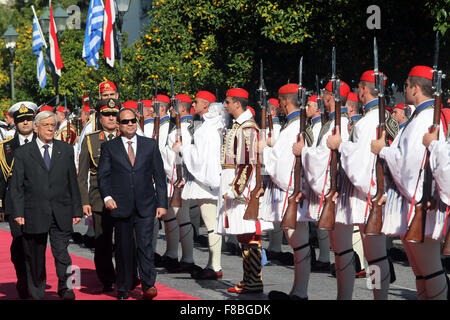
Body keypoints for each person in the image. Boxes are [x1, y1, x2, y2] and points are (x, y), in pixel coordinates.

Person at [371, 65, 448, 300]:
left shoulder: (424, 118)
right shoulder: (420, 117)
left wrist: (383, 151)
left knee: (429, 269)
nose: (404, 89)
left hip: (420, 202)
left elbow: (409, 163)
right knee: (421, 272)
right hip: (410, 201)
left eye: (406, 85)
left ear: (415, 89)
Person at [326, 70, 398, 300]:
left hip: (364, 194)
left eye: (360, 87)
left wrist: (340, 146)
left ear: (365, 90)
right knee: (373, 256)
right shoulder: (385, 118)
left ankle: (375, 297)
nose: (358, 91)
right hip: (372, 192)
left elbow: (361, 162)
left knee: (373, 256)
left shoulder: (369, 122)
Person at [9, 110, 83, 300]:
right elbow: (16, 187)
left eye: (53, 125)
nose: (51, 128)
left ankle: (67, 288)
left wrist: (77, 209)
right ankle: (37, 293)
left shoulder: (65, 149)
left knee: (62, 254)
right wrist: (18, 212)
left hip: (61, 210)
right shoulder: (23, 153)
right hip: (33, 212)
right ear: (36, 127)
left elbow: (72, 182)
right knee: (35, 257)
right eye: (46, 125)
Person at [98, 108, 168, 300]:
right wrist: (107, 197)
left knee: (145, 245)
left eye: (132, 121)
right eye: (125, 121)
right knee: (123, 248)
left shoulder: (149, 145)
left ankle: (148, 284)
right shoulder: (109, 147)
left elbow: (159, 177)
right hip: (120, 205)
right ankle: (123, 286)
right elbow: (103, 177)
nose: (129, 124)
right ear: (118, 125)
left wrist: (162, 203)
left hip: (146, 204)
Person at [293, 79, 351, 299]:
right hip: (337, 191)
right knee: (342, 250)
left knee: (348, 251)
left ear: (330, 97)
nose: (324, 98)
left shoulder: (339, 123)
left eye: (326, 94)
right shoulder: (337, 122)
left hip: (338, 192)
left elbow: (322, 157)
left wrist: (303, 151)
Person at [216, 88, 273, 294]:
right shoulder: (240, 126)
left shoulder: (247, 128)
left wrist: (235, 189)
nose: (225, 105)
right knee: (243, 235)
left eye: (228, 101)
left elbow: (248, 164)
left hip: (242, 186)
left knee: (250, 233)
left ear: (237, 104)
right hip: (235, 182)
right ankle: (248, 279)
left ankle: (254, 280)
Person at [261, 83, 314, 300]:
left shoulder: (293, 127)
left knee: (298, 243)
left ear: (284, 101)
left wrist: (263, 149)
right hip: (293, 191)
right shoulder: (293, 125)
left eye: (280, 100)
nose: (280, 104)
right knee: (298, 243)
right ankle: (297, 291)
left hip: (290, 192)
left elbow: (282, 167)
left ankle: (300, 292)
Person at [172, 91, 224, 280]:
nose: (193, 104)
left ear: (206, 105)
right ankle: (212, 264)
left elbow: (201, 158)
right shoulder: (210, 125)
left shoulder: (207, 129)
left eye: (197, 102)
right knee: (212, 224)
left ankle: (215, 265)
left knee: (211, 225)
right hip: (209, 180)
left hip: (206, 182)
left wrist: (182, 149)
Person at [77, 99, 121, 292]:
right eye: (107, 114)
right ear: (99, 117)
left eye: (114, 114)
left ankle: (126, 274)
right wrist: (84, 201)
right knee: (102, 241)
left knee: (125, 240)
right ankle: (106, 278)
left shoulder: (127, 135)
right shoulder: (90, 139)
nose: (111, 118)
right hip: (97, 197)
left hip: (123, 196)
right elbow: (82, 174)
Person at [0, 102, 37, 299]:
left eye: (29, 119)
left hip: (39, 202)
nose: (25, 122)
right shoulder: (5, 147)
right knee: (19, 243)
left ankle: (34, 281)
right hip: (15, 203)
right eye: (21, 120)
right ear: (15, 122)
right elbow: (0, 177)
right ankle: (23, 278)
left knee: (36, 244)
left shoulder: (44, 143)